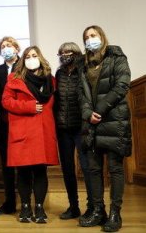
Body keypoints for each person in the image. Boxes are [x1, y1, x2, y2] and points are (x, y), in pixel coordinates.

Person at [78, 25, 131, 232]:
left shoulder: (116, 56)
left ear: (102, 36)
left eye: (93, 35)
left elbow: (122, 84)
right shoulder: (83, 64)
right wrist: (87, 113)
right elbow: (81, 95)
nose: (90, 39)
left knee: (115, 169)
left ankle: (115, 214)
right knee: (93, 169)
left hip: (114, 121)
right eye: (87, 37)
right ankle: (98, 211)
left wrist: (99, 109)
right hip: (91, 124)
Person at [2, 46, 59, 223]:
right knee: (24, 172)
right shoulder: (14, 78)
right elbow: (6, 101)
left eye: (34, 55)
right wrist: (28, 107)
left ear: (40, 58)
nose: (31, 58)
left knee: (41, 171)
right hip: (23, 130)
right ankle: (25, 207)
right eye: (27, 56)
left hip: (43, 130)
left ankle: (40, 208)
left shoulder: (51, 80)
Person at [54, 42, 93, 220]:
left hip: (82, 127)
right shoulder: (59, 73)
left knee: (87, 168)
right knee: (67, 170)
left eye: (69, 51)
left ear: (76, 54)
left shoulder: (84, 70)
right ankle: (73, 206)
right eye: (62, 52)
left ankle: (93, 206)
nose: (65, 54)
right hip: (63, 129)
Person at [0, 36, 20, 215]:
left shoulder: (26, 66)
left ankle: (26, 202)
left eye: (9, 46)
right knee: (7, 166)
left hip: (23, 123)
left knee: (25, 166)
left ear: (16, 48)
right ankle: (9, 203)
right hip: (4, 125)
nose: (6, 49)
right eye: (3, 47)